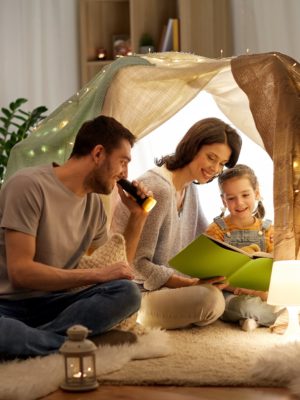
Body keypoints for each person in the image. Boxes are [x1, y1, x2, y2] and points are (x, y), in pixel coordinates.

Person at [0, 115, 152, 359]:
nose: (125, 173)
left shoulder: (94, 206)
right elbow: (21, 273)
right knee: (7, 334)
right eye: (123, 162)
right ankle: (77, 343)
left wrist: (138, 217)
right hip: (7, 305)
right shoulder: (28, 185)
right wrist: (96, 275)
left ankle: (42, 342)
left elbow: (118, 269)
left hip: (55, 304)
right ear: (98, 153)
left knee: (127, 292)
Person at [111, 117, 242, 329]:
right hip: (137, 294)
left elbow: (206, 239)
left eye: (222, 164)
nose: (215, 169)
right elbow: (137, 266)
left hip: (170, 288)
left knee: (225, 292)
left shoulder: (189, 187)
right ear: (192, 147)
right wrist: (190, 284)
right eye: (211, 157)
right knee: (211, 301)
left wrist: (240, 255)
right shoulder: (158, 189)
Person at [205, 164, 278, 332]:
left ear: (257, 193)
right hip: (230, 294)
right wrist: (249, 292)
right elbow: (212, 274)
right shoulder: (216, 230)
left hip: (262, 294)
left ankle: (253, 319)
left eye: (245, 195)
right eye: (231, 198)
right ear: (224, 200)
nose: (239, 203)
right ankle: (267, 317)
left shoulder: (268, 229)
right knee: (244, 306)